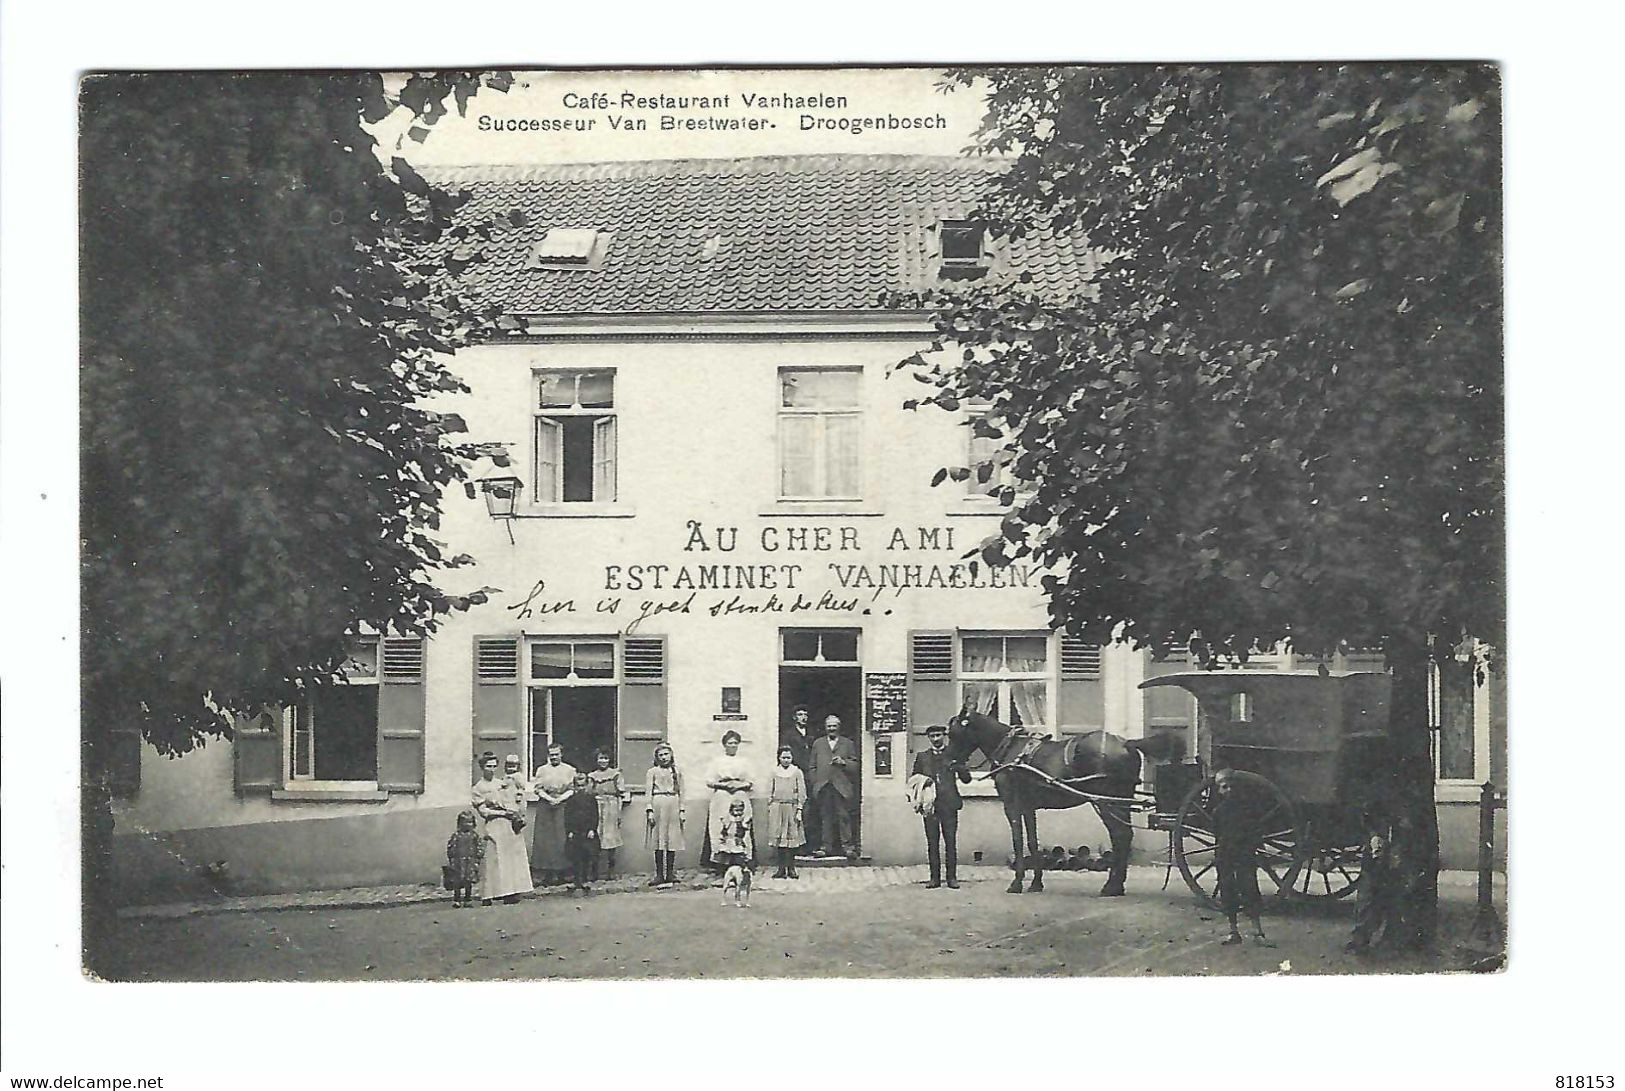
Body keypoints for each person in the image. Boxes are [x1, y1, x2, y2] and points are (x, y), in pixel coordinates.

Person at [1211, 769, 1273, 947]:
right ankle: (1233, 931)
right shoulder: (1218, 812)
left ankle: (1257, 932)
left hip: (1244, 854)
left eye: (1232, 786)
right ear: (1220, 791)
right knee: (1228, 891)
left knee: (1250, 889)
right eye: (1225, 787)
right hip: (1225, 856)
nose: (1229, 790)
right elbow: (1217, 834)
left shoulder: (1247, 809)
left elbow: (1255, 831)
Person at [912, 722, 971, 888]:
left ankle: (951, 878)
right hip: (930, 805)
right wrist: (924, 783)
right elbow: (914, 780)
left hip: (949, 804)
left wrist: (959, 766)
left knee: (950, 842)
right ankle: (934, 878)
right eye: (933, 736)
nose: (936, 739)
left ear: (944, 736)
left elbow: (967, 779)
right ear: (928, 738)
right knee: (932, 842)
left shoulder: (953, 754)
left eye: (939, 735)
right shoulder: (922, 757)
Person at [470, 752, 534, 905]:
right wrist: (502, 812)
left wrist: (515, 810)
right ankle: (488, 894)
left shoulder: (502, 783)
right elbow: (484, 812)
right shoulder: (478, 788)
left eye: (493, 766)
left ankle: (509, 892)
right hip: (494, 823)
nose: (491, 769)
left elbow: (514, 798)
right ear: (482, 767)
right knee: (494, 859)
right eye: (488, 766)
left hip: (508, 824)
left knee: (510, 859)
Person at [808, 714, 859, 859]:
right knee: (825, 817)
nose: (831, 729)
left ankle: (848, 847)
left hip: (841, 786)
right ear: (825, 728)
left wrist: (844, 763)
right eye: (829, 726)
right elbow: (812, 765)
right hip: (823, 785)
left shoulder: (847, 743)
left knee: (844, 817)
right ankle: (825, 847)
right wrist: (815, 782)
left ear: (839, 727)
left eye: (834, 726)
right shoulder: (818, 743)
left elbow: (855, 765)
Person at [703, 730, 754, 873]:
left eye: (735, 743)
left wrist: (739, 785)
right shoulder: (717, 761)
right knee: (722, 826)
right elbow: (709, 780)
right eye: (730, 743)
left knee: (740, 825)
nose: (732, 746)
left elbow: (751, 781)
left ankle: (741, 860)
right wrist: (724, 785)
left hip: (739, 794)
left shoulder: (744, 762)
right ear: (724, 745)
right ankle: (722, 862)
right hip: (722, 795)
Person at [530, 744, 576, 884]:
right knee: (545, 840)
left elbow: (572, 789)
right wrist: (550, 799)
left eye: (556, 754)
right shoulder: (542, 770)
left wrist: (559, 799)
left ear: (561, 754)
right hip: (545, 805)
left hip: (562, 804)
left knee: (561, 838)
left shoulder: (569, 770)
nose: (554, 757)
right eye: (551, 754)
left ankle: (562, 872)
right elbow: (537, 789)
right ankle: (547, 873)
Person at [644, 742, 686, 886]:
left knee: (671, 839)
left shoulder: (677, 771)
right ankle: (659, 874)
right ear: (656, 757)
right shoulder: (652, 772)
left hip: (673, 803)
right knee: (659, 840)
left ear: (671, 754)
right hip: (658, 803)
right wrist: (649, 810)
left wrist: (682, 810)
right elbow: (648, 791)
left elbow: (682, 792)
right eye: (660, 755)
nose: (664, 757)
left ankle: (670, 873)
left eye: (666, 754)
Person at [766, 744, 807, 878]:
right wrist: (770, 805)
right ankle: (780, 869)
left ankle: (791, 868)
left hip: (792, 808)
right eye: (783, 757)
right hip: (777, 808)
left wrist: (799, 808)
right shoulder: (774, 772)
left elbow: (802, 792)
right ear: (779, 758)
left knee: (791, 840)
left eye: (788, 757)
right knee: (779, 840)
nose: (786, 760)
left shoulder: (797, 772)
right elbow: (769, 790)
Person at [587, 748, 628, 880]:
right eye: (600, 758)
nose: (603, 761)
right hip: (596, 806)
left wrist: (619, 813)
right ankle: (595, 871)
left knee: (611, 837)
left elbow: (621, 794)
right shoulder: (592, 776)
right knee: (596, 837)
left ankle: (611, 871)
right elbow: (589, 793)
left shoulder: (616, 774)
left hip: (612, 806)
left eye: (605, 758)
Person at [781, 705, 817, 853]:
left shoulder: (812, 734)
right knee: (796, 811)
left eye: (805, 714)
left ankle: (809, 845)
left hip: (810, 776)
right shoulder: (789, 735)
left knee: (810, 810)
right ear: (794, 717)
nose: (803, 717)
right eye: (800, 714)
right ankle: (796, 846)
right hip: (795, 775)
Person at [562, 769, 600, 893]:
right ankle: (577, 880)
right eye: (578, 786)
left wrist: (592, 829)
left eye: (583, 785)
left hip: (587, 831)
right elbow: (567, 815)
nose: (581, 788)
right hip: (576, 831)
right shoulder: (571, 799)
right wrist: (570, 831)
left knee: (587, 855)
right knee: (575, 856)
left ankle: (585, 879)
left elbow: (595, 815)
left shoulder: (591, 799)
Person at [716, 798, 754, 908]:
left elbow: (745, 833)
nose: (738, 813)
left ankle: (739, 883)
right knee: (729, 865)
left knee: (739, 863)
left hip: (738, 845)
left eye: (740, 810)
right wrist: (722, 842)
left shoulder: (744, 820)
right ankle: (727, 882)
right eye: (736, 810)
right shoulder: (728, 820)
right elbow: (723, 833)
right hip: (729, 844)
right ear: (731, 810)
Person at [444, 809, 484, 908]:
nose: (467, 825)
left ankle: (468, 899)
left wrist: (478, 857)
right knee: (457, 882)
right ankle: (457, 900)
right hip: (458, 862)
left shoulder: (474, 836)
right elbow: (451, 847)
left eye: (470, 822)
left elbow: (479, 846)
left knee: (468, 882)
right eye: (465, 822)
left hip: (470, 862)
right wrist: (452, 858)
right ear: (460, 823)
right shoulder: (456, 835)